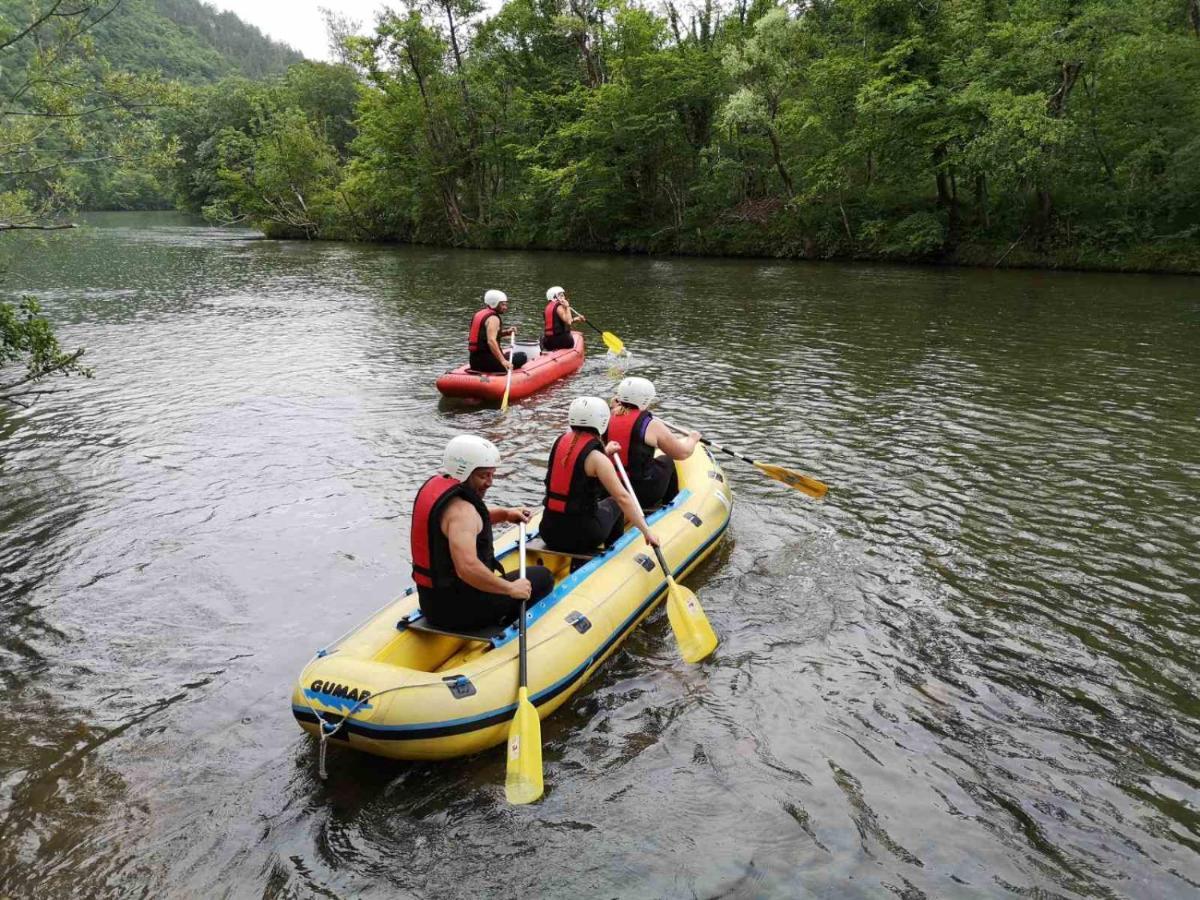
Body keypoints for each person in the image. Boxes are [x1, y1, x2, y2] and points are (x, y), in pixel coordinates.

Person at [412, 435, 554, 631]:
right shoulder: (462, 512)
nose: (489, 482)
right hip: (462, 610)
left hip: (432, 603)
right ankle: (504, 627)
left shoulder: (443, 493)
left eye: (492, 475)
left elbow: (465, 525)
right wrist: (510, 589)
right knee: (543, 577)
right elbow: (467, 568)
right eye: (483, 476)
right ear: (464, 472)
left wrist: (504, 514)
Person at [539, 396, 661, 555]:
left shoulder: (559, 442)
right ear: (602, 421)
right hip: (583, 536)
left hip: (549, 532)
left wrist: (605, 452)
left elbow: (577, 464)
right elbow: (622, 497)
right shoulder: (598, 459)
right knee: (615, 503)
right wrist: (647, 532)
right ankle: (614, 552)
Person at [606, 377, 701, 510]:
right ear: (645, 400)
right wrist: (693, 438)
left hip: (610, 487)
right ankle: (670, 504)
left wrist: (615, 405)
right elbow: (682, 453)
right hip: (640, 491)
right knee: (667, 460)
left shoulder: (607, 416)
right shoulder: (652, 425)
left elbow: (622, 412)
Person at [468, 289, 527, 373]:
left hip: (474, 362)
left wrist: (507, 332)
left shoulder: (479, 314)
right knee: (522, 356)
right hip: (488, 364)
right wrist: (503, 361)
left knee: (509, 354)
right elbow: (491, 341)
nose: (505, 307)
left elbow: (484, 336)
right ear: (494, 303)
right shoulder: (494, 318)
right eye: (502, 305)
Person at [541, 285, 585, 352]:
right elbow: (568, 322)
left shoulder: (547, 308)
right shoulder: (559, 307)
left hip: (548, 342)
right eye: (561, 295)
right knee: (568, 335)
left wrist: (576, 319)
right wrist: (567, 307)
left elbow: (557, 324)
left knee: (542, 337)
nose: (564, 297)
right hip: (562, 342)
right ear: (555, 297)